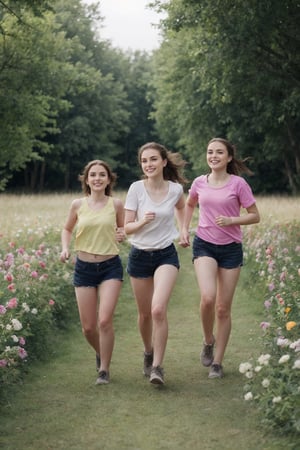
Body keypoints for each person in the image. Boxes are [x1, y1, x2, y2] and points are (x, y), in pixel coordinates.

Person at [180, 137, 260, 379]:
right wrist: (184, 228)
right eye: (210, 152)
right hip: (204, 243)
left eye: (219, 152)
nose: (213, 155)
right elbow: (190, 205)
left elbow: (255, 215)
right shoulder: (198, 182)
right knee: (207, 297)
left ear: (228, 157)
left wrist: (232, 220)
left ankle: (217, 362)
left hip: (231, 248)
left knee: (223, 308)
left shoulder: (238, 184)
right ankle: (208, 340)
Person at [124, 142, 187, 385]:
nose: (148, 164)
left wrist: (183, 230)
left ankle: (158, 367)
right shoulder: (135, 189)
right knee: (144, 314)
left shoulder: (174, 190)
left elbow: (182, 209)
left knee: (158, 309)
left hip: (165, 254)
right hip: (139, 255)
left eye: (153, 159)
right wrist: (142, 222)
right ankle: (148, 351)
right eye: (144, 161)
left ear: (163, 162)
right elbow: (127, 228)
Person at [60, 160, 125, 385]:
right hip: (84, 268)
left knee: (104, 320)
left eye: (102, 175)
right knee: (88, 328)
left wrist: (122, 234)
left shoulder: (116, 204)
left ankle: (104, 370)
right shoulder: (78, 204)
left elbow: (124, 229)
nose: (97, 179)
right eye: (93, 175)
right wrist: (65, 248)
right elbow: (67, 229)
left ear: (108, 179)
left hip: (110, 266)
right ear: (86, 180)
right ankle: (102, 352)